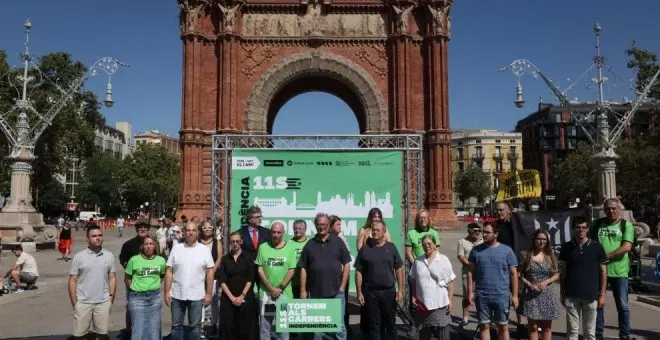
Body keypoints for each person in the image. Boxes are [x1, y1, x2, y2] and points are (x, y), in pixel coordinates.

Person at [299, 212, 351, 340]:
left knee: (339, 326)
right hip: (316, 293)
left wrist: (343, 286)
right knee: (318, 329)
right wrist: (303, 290)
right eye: (319, 224)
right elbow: (303, 268)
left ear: (328, 226)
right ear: (315, 225)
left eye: (325, 224)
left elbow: (347, 264)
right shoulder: (309, 245)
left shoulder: (338, 242)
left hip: (336, 292)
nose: (322, 227)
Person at [590, 198, 634, 340]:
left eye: (614, 208)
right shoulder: (596, 224)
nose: (611, 211)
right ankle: (598, 334)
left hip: (619, 271)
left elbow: (627, 247)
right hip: (598, 271)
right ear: (604, 210)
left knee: (622, 305)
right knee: (598, 304)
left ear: (619, 209)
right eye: (608, 208)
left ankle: (625, 335)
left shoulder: (626, 225)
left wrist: (606, 256)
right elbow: (589, 243)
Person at [467, 222, 519, 340]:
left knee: (502, 327)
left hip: (501, 295)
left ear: (496, 234)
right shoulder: (476, 250)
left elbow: (514, 274)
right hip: (482, 295)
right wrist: (470, 292)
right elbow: (470, 272)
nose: (484, 235)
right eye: (483, 232)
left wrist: (515, 296)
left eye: (487, 232)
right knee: (484, 326)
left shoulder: (507, 251)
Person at [164, 221, 215, 340]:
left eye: (193, 230)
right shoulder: (176, 249)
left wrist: (208, 293)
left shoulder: (204, 250)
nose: (190, 233)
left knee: (195, 327)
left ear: (197, 233)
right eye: (188, 230)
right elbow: (169, 271)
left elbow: (210, 272)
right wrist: (166, 291)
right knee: (176, 326)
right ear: (184, 232)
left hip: (197, 295)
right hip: (177, 294)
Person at [560, 216, 608, 340]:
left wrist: (602, 294)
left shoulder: (597, 247)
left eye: (583, 227)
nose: (581, 230)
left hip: (591, 295)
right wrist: (562, 293)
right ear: (573, 229)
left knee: (589, 333)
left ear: (587, 229)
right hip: (571, 295)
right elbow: (563, 272)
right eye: (577, 227)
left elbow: (603, 272)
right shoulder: (566, 247)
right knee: (572, 332)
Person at [355, 221, 405, 339]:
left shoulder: (391, 248)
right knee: (374, 325)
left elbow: (399, 268)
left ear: (384, 232)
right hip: (371, 293)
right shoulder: (365, 249)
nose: (375, 232)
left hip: (388, 292)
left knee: (390, 324)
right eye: (373, 230)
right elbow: (358, 271)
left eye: (377, 230)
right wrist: (359, 292)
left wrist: (401, 290)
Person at [68, 225, 117, 340]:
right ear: (88, 239)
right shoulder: (79, 257)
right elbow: (72, 280)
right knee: (80, 336)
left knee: (101, 335)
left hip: (103, 302)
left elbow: (112, 277)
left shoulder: (109, 256)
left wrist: (110, 298)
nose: (98, 238)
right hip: (83, 302)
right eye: (94, 236)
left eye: (100, 235)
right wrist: (75, 302)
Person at [410, 235, 455, 340]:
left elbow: (450, 282)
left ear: (435, 245)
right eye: (424, 244)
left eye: (429, 244)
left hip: (440, 303)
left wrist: (450, 300)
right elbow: (414, 279)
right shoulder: (418, 261)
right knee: (424, 334)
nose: (427, 246)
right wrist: (413, 296)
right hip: (423, 304)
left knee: (443, 334)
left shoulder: (443, 259)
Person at [256, 222, 296, 340]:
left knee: (283, 327)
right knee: (265, 327)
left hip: (284, 295)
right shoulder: (263, 247)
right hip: (267, 295)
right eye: (273, 232)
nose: (276, 235)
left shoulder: (290, 247)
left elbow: (292, 270)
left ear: (283, 233)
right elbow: (260, 269)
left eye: (279, 232)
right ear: (270, 233)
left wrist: (280, 289)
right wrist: (271, 288)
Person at [518, 229, 560, 340]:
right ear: (534, 240)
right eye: (539, 239)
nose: (541, 242)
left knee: (546, 328)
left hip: (547, 295)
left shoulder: (550, 255)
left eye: (544, 239)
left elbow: (556, 275)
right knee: (532, 328)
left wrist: (546, 282)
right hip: (531, 296)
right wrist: (530, 284)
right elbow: (520, 274)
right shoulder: (525, 255)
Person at [125, 235, 167, 340]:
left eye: (151, 244)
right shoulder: (134, 260)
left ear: (155, 246)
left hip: (154, 298)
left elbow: (161, 276)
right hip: (137, 298)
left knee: (154, 329)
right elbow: (127, 278)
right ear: (142, 246)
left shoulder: (161, 261)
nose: (148, 246)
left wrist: (152, 285)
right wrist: (136, 288)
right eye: (146, 244)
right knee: (138, 329)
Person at [218, 231, 258, 340]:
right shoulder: (225, 259)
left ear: (241, 242)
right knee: (229, 328)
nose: (235, 244)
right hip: (228, 298)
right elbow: (222, 280)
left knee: (246, 327)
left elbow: (251, 278)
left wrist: (241, 296)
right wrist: (232, 298)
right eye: (232, 242)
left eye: (237, 241)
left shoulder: (248, 257)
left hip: (245, 297)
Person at [119, 219, 151, 338]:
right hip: (132, 281)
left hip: (150, 282)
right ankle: (129, 331)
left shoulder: (154, 243)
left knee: (149, 306)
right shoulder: (129, 244)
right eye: (140, 227)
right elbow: (122, 260)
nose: (142, 229)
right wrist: (131, 271)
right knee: (131, 306)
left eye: (145, 227)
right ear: (136, 229)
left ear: (148, 229)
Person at [199, 220, 224, 337]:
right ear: (201, 229)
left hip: (214, 276)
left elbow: (219, 258)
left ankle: (214, 324)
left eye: (210, 227)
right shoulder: (197, 242)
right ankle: (201, 325)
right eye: (205, 227)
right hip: (199, 275)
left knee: (214, 301)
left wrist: (212, 272)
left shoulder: (217, 242)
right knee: (201, 301)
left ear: (213, 230)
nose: (207, 229)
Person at [330, 215, 353, 335]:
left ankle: (344, 329)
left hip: (341, 279)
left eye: (340, 224)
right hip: (328, 280)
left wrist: (343, 281)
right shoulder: (323, 239)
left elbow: (347, 261)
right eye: (337, 224)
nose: (340, 227)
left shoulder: (342, 239)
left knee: (342, 306)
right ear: (330, 226)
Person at [456, 222, 483, 328]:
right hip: (467, 273)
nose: (477, 233)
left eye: (479, 231)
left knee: (480, 296)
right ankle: (465, 318)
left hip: (481, 273)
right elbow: (461, 256)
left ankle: (482, 317)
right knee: (467, 295)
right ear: (469, 230)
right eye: (474, 230)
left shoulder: (483, 242)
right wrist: (470, 265)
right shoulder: (462, 242)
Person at [290, 219, 310, 300]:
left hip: (308, 283)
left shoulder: (310, 243)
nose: (297, 230)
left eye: (300, 228)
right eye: (295, 228)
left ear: (305, 229)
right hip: (292, 283)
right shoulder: (288, 243)